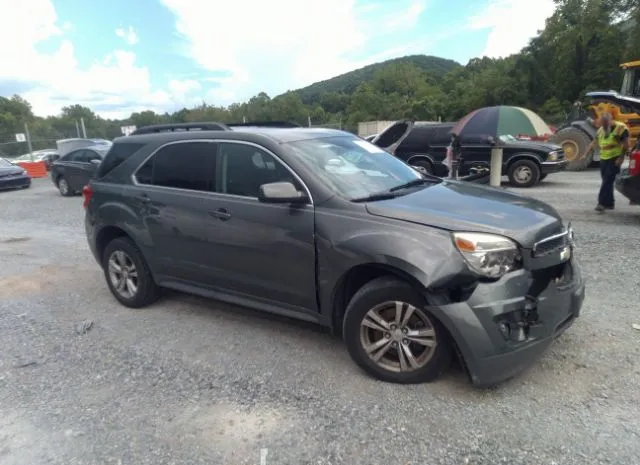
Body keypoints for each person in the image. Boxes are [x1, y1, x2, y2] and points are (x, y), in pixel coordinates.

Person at [585, 112, 630, 212]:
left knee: (607, 181)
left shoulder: (620, 128)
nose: (604, 126)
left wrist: (621, 158)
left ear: (611, 120)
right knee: (607, 181)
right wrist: (585, 153)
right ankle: (610, 203)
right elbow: (594, 142)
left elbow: (626, 144)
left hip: (615, 158)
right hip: (604, 158)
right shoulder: (601, 130)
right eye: (602, 124)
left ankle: (601, 203)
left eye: (606, 124)